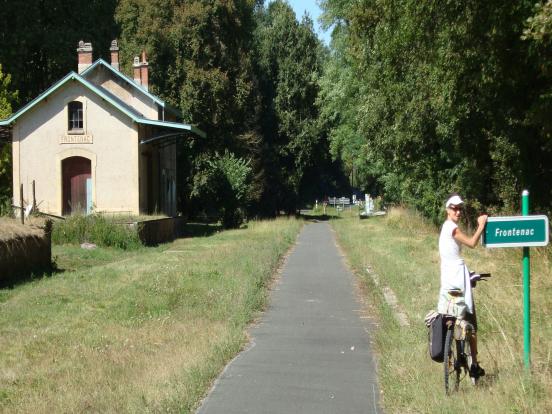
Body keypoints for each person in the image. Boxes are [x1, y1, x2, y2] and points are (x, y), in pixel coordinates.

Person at [437, 193, 488, 379]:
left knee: (451, 315)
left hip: (447, 280)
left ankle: (453, 349)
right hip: (458, 280)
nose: (457, 211)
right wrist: (481, 224)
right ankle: (474, 364)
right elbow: (472, 243)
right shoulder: (452, 228)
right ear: (447, 210)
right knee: (471, 323)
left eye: (459, 208)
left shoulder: (444, 227)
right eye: (454, 208)